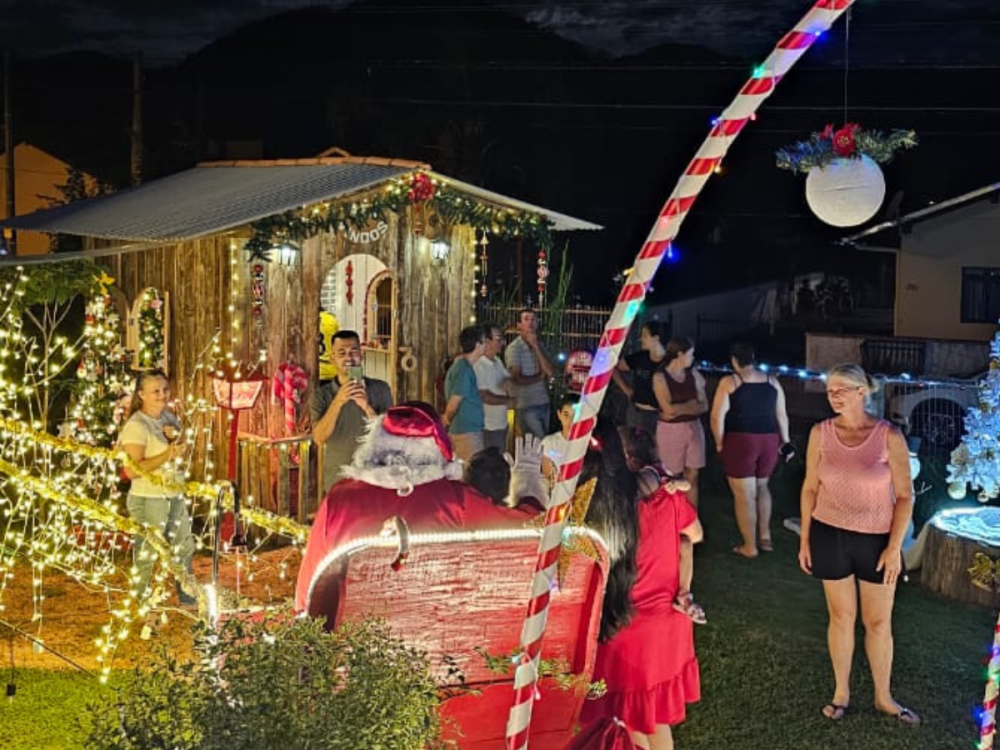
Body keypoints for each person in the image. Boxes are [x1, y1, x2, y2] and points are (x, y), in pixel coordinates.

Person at [295, 402, 546, 613]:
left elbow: (308, 591)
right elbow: (533, 528)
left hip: (354, 647)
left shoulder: (339, 498)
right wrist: (527, 484)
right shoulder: (455, 500)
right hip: (435, 636)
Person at [798, 364, 919, 725]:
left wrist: (894, 547)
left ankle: (883, 696)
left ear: (861, 392)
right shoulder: (820, 433)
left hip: (876, 539)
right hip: (828, 534)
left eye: (841, 390)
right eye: (829, 390)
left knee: (878, 621)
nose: (833, 396)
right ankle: (841, 693)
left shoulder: (888, 436)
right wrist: (805, 538)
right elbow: (809, 487)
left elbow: (905, 496)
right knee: (841, 616)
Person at [580, 420, 703, 750]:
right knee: (653, 718)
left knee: (631, 722)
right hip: (665, 624)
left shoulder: (594, 513)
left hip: (624, 628)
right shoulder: (665, 499)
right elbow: (694, 537)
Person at [117, 369, 196, 611]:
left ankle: (188, 596)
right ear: (142, 395)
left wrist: (178, 439)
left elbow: (181, 441)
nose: (162, 395)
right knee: (149, 551)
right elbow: (132, 470)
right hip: (148, 497)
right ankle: (141, 600)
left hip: (172, 492)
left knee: (184, 545)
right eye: (156, 391)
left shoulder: (168, 418)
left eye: (165, 390)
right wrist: (167, 454)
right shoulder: (136, 426)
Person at [710, 342, 793, 558]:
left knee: (744, 495)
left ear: (734, 361)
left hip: (740, 440)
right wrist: (785, 441)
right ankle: (765, 537)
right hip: (768, 440)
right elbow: (782, 415)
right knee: (763, 487)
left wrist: (719, 441)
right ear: (753, 357)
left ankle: (749, 546)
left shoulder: (730, 382)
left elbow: (718, 416)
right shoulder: (772, 382)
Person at [619, 425, 703, 625]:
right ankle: (684, 595)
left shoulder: (626, 492)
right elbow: (696, 534)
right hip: (660, 588)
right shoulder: (667, 485)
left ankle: (684, 593)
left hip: (631, 588)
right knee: (685, 543)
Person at [310, 330, 393, 493]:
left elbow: (390, 435)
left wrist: (366, 407)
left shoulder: (381, 388)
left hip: (375, 476)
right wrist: (339, 400)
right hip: (339, 479)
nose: (349, 358)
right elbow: (319, 438)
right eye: (342, 353)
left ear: (361, 356)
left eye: (354, 352)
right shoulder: (321, 395)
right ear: (332, 359)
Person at [652, 337, 708, 508]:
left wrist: (680, 409)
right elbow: (668, 409)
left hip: (693, 428)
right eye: (690, 354)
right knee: (672, 475)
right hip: (670, 431)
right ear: (679, 354)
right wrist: (691, 406)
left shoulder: (694, 375)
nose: (693, 358)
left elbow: (704, 405)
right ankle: (672, 516)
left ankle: (691, 517)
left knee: (693, 474)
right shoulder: (660, 377)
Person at [612, 321, 668, 438]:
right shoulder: (640, 357)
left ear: (656, 338)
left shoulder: (669, 362)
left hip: (658, 416)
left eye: (645, 335)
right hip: (635, 412)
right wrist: (625, 388)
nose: (640, 339)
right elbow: (613, 367)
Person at [505, 309, 555, 439]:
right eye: (526, 319)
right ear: (519, 325)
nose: (530, 323)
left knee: (543, 443)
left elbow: (549, 372)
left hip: (542, 401)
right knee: (535, 444)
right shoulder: (514, 348)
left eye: (533, 319)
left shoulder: (540, 345)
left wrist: (536, 347)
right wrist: (539, 377)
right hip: (526, 404)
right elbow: (516, 378)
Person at [443, 325, 487, 460]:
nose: (486, 345)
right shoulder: (463, 369)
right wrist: (447, 418)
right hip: (466, 433)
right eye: (484, 341)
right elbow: (455, 400)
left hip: (467, 431)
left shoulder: (464, 366)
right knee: (470, 472)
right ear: (478, 344)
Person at [474, 322, 515, 452]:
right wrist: (507, 401)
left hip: (500, 424)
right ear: (487, 341)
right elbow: (484, 396)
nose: (503, 342)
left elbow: (508, 379)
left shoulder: (497, 361)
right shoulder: (479, 365)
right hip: (488, 427)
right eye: (499, 339)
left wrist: (509, 382)